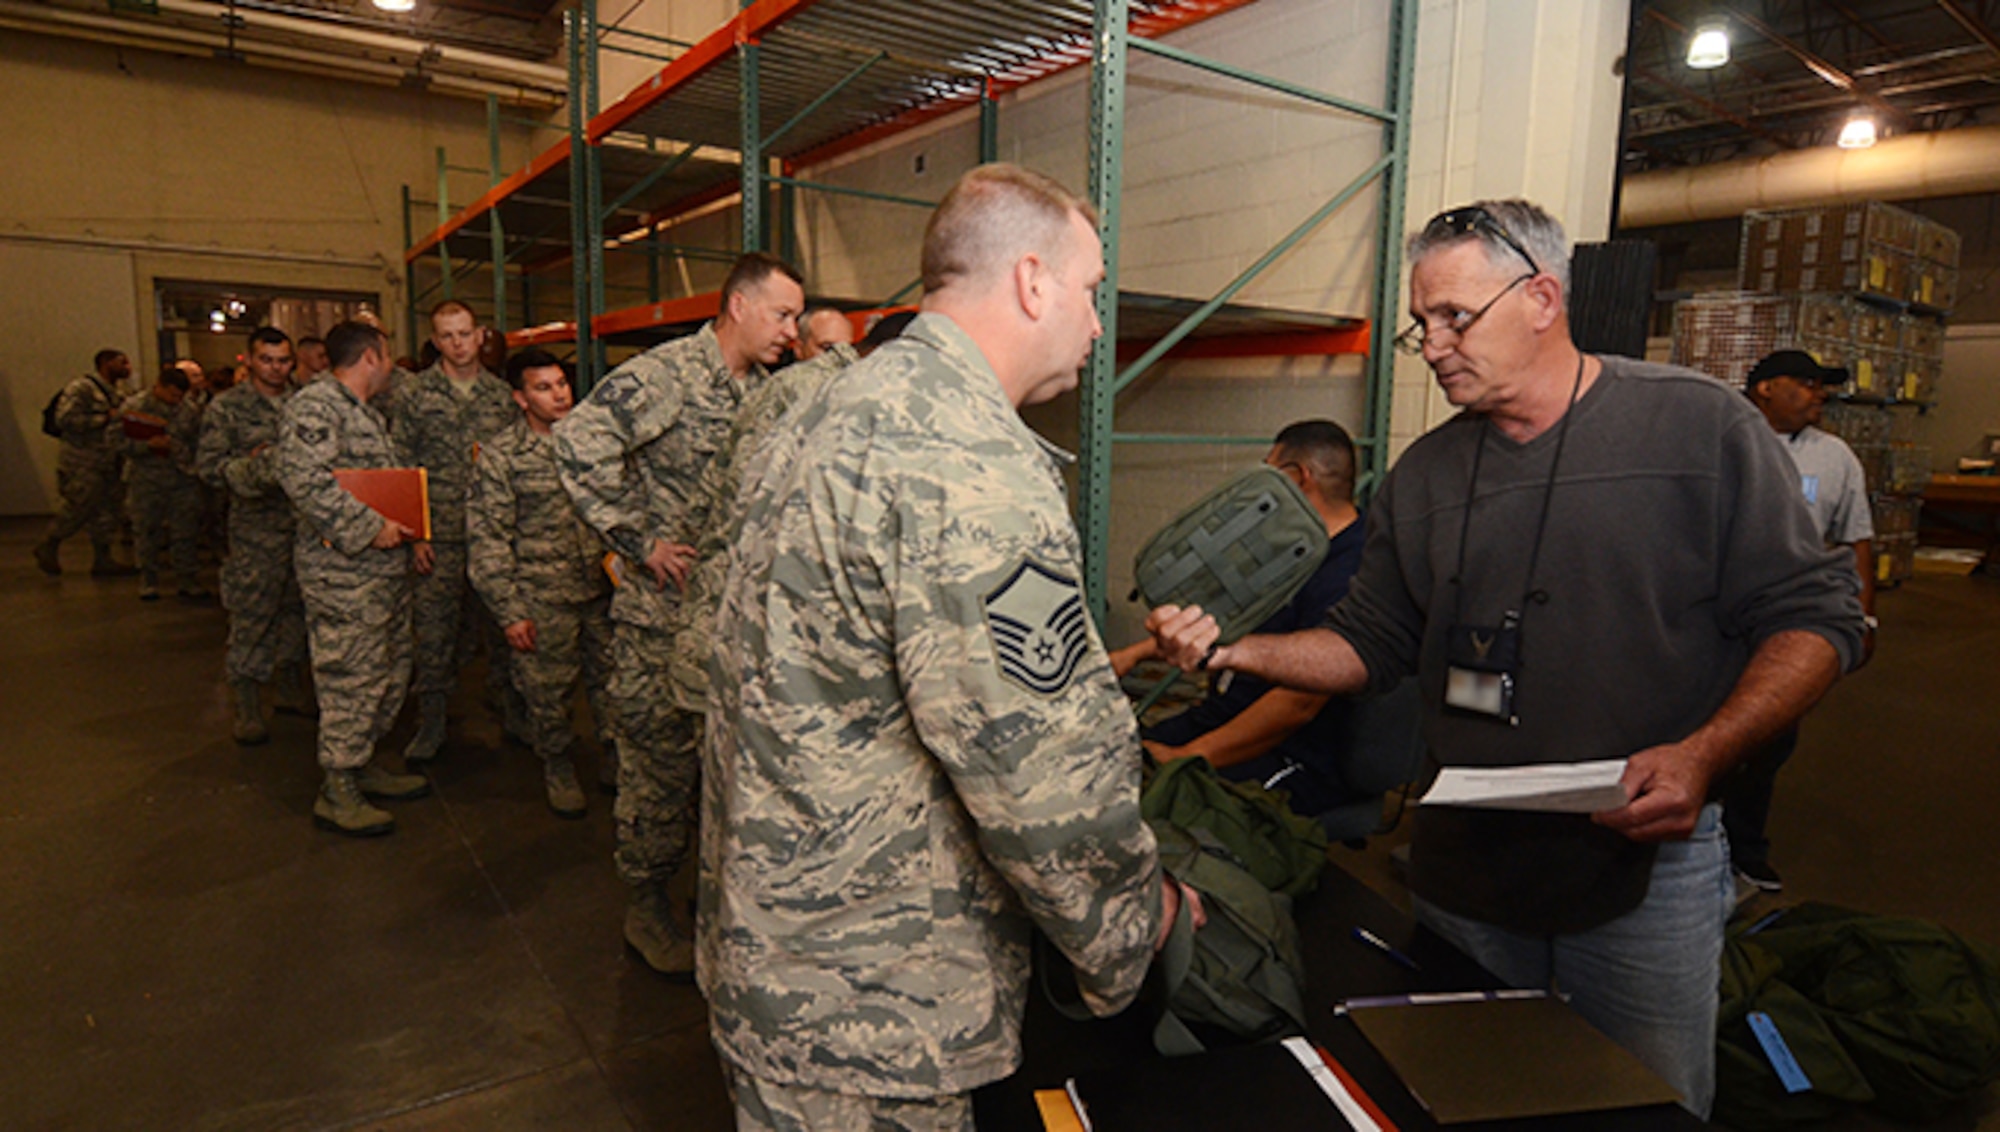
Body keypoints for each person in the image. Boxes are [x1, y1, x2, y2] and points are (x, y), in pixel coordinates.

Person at [1148, 200, 1864, 1118]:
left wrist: (1705, 753)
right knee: (1473, 1091)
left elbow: (1816, 618)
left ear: (1542, 299)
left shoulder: (1699, 429)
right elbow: (1369, 643)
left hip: (1645, 867)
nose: (1434, 345)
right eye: (1422, 324)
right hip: (1468, 866)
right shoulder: (1425, 477)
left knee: (1644, 1104)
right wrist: (1235, 648)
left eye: (1456, 317)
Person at [702, 164, 1192, 1128]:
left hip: (776, 960)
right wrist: (1139, 921)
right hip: (876, 1011)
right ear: (1033, 281)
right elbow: (1039, 770)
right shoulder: (966, 459)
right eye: (1092, 291)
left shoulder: (829, 406)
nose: (1098, 327)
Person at [555, 251, 803, 977]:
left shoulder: (766, 394)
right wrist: (638, 541)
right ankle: (647, 904)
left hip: (735, 625)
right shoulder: (666, 376)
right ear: (738, 306)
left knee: (725, 774)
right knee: (658, 769)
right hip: (662, 621)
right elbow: (576, 443)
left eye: (796, 318)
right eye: (782, 315)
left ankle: (710, 898)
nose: (791, 332)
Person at [1109, 419, 1365, 819]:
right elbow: (1222, 629)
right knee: (1107, 765)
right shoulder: (1289, 549)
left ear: (1298, 478)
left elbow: (1297, 704)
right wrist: (1134, 654)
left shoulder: (1352, 570)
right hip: (1221, 718)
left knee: (1148, 812)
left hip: (1292, 754)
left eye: (1270, 470)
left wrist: (1187, 756)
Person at [276, 320, 433, 837]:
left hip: (382, 573)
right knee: (351, 674)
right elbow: (303, 480)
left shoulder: (365, 412)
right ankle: (337, 785)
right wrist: (369, 528)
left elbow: (382, 486)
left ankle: (362, 762)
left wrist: (413, 533)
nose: (390, 367)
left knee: (388, 669)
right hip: (343, 576)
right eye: (387, 356)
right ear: (371, 357)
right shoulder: (316, 407)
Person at [1729, 349, 1877, 892]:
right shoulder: (1721, 436)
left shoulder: (1834, 457)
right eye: (1808, 383)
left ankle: (1745, 852)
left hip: (1787, 620)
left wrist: (1864, 617)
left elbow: (1855, 540)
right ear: (1766, 388)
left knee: (1769, 735)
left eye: (1822, 386)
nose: (1820, 395)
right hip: (1720, 614)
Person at [466, 349, 616, 819]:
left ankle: (615, 756)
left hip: (599, 590)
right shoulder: (502, 456)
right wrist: (510, 612)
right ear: (520, 398)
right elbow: (488, 539)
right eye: (544, 388)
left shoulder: (592, 443)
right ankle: (558, 764)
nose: (559, 395)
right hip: (541, 596)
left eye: (562, 384)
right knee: (548, 692)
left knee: (613, 684)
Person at [392, 300, 525, 765]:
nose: (458, 344)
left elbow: (517, 464)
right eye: (447, 336)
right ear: (435, 341)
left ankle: (510, 707)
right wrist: (416, 534)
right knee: (433, 633)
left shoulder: (501, 397)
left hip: (492, 534)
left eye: (465, 334)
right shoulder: (414, 394)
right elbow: (402, 465)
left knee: (503, 627)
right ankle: (431, 720)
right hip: (439, 535)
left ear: (480, 335)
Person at [199, 327, 314, 745]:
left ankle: (289, 685)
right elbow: (210, 468)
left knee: (298, 610)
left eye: (283, 361)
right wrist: (256, 467)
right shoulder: (227, 408)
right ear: (249, 360)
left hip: (304, 525)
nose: (276, 369)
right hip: (256, 531)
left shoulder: (305, 403)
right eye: (267, 360)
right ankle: (247, 702)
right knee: (253, 614)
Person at [34, 349, 139, 577]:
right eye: (122, 362)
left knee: (108, 511)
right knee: (79, 506)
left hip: (109, 460)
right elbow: (65, 420)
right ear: (106, 363)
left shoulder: (121, 391)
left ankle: (103, 558)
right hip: (82, 461)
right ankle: (50, 542)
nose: (127, 367)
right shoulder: (82, 388)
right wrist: (103, 418)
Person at [120, 365, 208, 602]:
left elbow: (199, 442)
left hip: (182, 477)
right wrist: (146, 446)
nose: (176, 400)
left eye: (180, 396)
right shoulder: (135, 407)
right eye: (172, 395)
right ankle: (148, 580)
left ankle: (187, 580)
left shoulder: (189, 410)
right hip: (146, 478)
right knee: (147, 531)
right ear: (159, 386)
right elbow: (114, 441)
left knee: (186, 532)